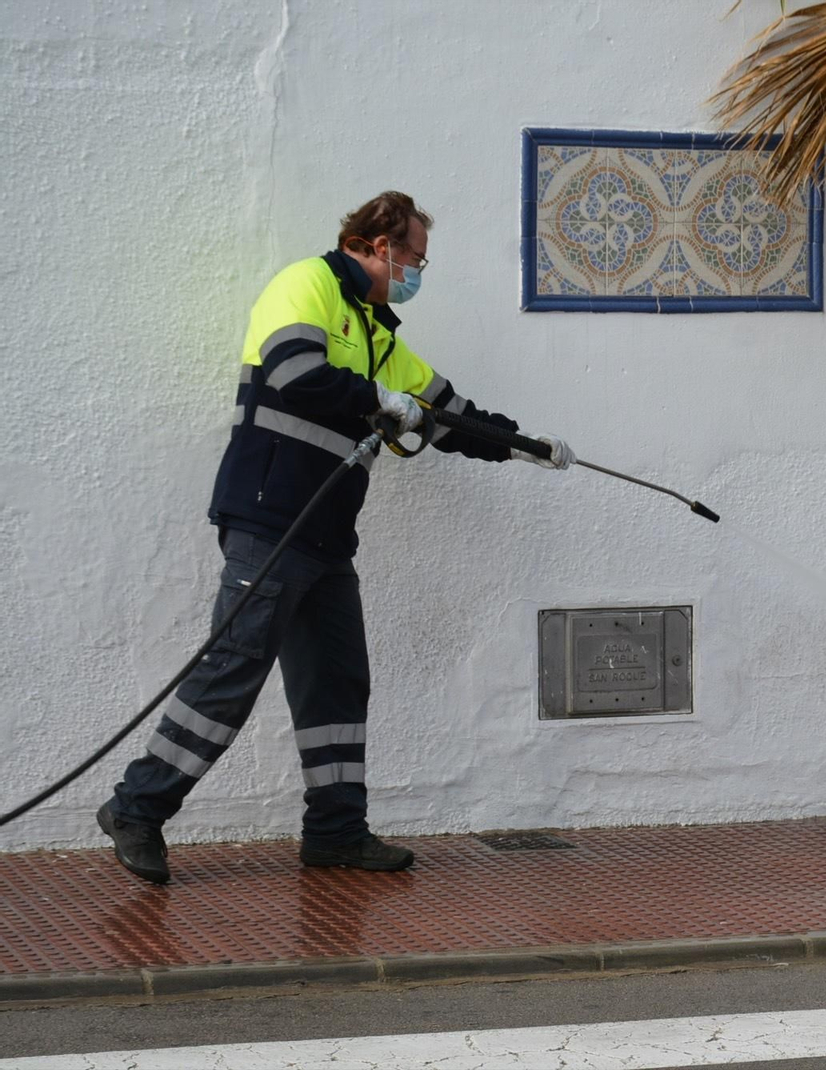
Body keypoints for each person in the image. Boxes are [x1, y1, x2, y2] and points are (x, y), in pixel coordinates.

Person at [96, 192, 571, 884]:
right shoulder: (307, 285)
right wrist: (377, 400)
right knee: (231, 672)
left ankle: (336, 832)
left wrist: (522, 445)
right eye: (412, 258)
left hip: (324, 537)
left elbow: (447, 416)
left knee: (338, 686)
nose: (415, 272)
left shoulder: (381, 335)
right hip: (269, 520)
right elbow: (295, 373)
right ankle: (137, 808)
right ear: (376, 244)